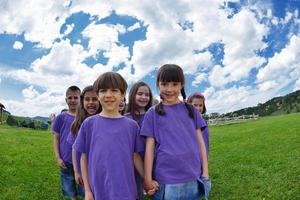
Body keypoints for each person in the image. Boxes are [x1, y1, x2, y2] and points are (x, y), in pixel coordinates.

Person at [141, 64, 210, 200]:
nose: (169, 89)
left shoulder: (192, 110)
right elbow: (149, 149)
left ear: (182, 85)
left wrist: (205, 172)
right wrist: (147, 178)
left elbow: (201, 144)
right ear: (158, 85)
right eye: (165, 84)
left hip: (193, 176)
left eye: (174, 84)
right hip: (166, 180)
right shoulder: (152, 113)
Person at [73, 72, 144, 200]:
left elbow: (135, 157)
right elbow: (84, 158)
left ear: (122, 94)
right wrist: (88, 191)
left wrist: (147, 178)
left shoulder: (132, 126)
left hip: (125, 190)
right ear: (98, 95)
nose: (109, 95)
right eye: (103, 91)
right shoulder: (89, 124)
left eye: (114, 90)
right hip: (98, 190)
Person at [67, 85, 101, 198]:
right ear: (82, 101)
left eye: (95, 99)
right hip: (83, 170)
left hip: (99, 169)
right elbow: (74, 149)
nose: (91, 102)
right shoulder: (77, 124)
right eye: (87, 99)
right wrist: (76, 171)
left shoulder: (104, 121)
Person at [125, 81, 153, 200]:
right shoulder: (126, 118)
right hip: (132, 164)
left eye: (147, 95)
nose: (144, 97)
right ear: (132, 95)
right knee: (136, 193)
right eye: (140, 94)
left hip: (152, 160)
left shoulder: (154, 116)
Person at [52, 85, 81, 200]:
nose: (73, 100)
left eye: (76, 97)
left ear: (80, 99)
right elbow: (56, 138)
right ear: (66, 100)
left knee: (84, 185)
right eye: (70, 98)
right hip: (65, 159)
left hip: (81, 159)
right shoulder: (61, 117)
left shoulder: (84, 117)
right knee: (69, 186)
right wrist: (58, 157)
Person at [187, 92, 210, 159]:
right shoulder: (186, 122)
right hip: (191, 157)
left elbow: (206, 142)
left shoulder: (204, 122)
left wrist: (206, 157)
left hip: (202, 156)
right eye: (195, 105)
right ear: (189, 105)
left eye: (200, 105)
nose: (198, 108)